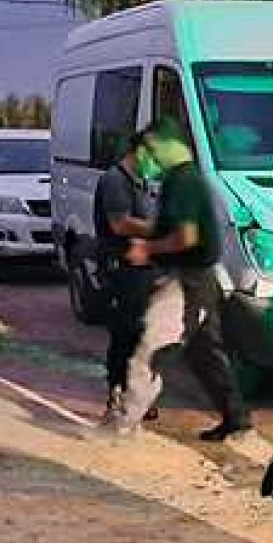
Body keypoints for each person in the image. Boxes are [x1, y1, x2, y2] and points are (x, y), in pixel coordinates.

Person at [108, 117, 253, 442]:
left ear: (163, 146)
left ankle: (120, 427)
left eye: (149, 149)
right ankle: (237, 420)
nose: (145, 157)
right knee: (206, 355)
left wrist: (148, 248)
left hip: (189, 282)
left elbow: (186, 237)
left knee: (152, 350)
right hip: (196, 279)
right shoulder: (184, 178)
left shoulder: (184, 181)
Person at [93, 130, 159, 417]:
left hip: (144, 270)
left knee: (144, 336)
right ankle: (116, 393)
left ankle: (137, 395)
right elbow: (120, 224)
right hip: (122, 271)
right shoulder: (114, 181)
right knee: (124, 334)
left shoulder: (144, 183)